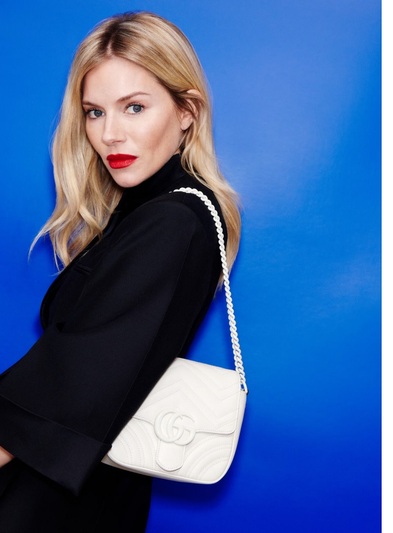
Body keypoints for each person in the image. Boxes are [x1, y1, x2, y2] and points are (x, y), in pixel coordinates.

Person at [0, 11, 240, 532]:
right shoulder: (147, 210)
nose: (110, 134)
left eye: (134, 107)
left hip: (54, 499)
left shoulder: (173, 220)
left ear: (186, 112)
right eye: (94, 112)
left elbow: (76, 378)